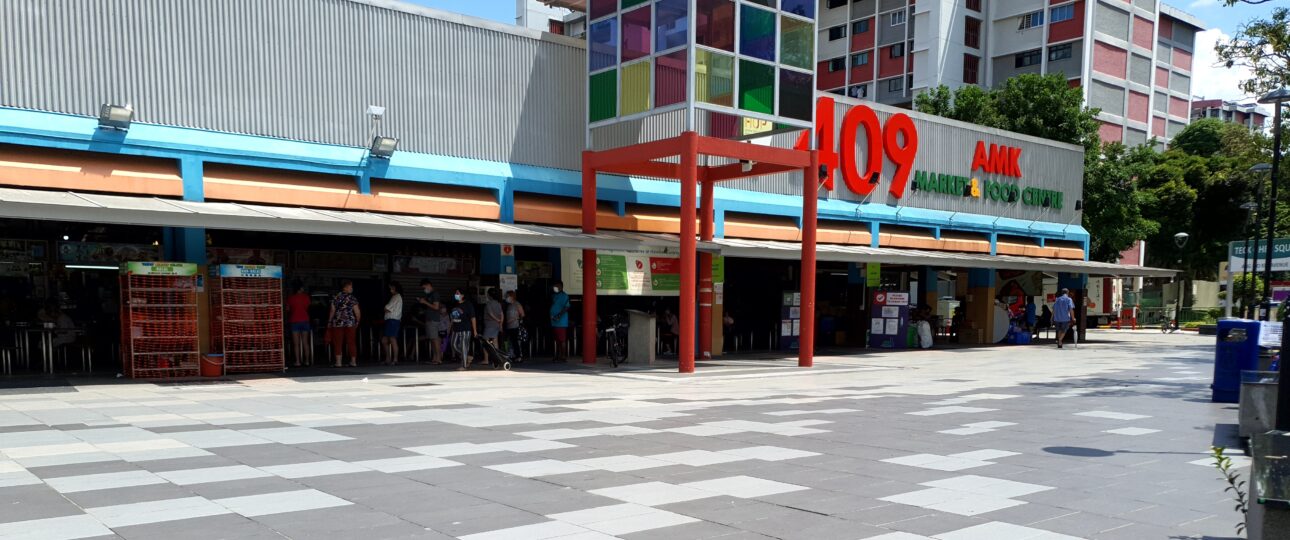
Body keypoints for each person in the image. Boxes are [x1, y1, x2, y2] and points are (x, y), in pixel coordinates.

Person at [326, 280, 361, 367]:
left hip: (338, 323)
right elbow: (357, 311)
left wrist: (329, 321)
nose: (352, 288)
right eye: (350, 286)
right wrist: (357, 321)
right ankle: (353, 362)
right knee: (351, 342)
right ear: (345, 287)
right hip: (350, 323)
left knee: (338, 342)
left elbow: (332, 311)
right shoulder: (352, 298)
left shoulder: (335, 297)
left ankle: (338, 362)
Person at [286, 281, 312, 367]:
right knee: (305, 342)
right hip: (305, 320)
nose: (303, 289)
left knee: (296, 343)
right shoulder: (306, 297)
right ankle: (307, 361)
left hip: (294, 321)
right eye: (302, 288)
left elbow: (287, 309)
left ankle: (297, 362)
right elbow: (308, 307)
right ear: (300, 288)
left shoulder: (290, 298)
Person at [449, 288, 476, 370]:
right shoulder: (455, 304)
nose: (456, 295)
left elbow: (473, 318)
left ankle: (464, 365)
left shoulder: (468, 304)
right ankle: (467, 357)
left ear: (463, 295)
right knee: (453, 345)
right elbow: (452, 317)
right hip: (455, 328)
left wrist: (475, 330)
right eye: (456, 293)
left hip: (465, 328)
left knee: (464, 346)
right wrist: (450, 327)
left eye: (458, 293)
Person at [416, 279, 442, 365]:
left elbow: (436, 307)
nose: (424, 289)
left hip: (433, 320)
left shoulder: (435, 294)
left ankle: (438, 359)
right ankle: (434, 358)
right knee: (432, 339)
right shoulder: (430, 295)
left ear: (428, 285)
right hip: (429, 319)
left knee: (435, 339)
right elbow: (431, 308)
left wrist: (425, 302)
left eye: (424, 287)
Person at [381, 283, 403, 365]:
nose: (391, 290)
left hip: (393, 320)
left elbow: (387, 308)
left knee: (392, 339)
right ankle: (388, 359)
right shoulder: (395, 297)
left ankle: (395, 359)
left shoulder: (396, 297)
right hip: (390, 320)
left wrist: (386, 309)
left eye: (392, 288)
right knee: (385, 340)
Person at [482, 287, 504, 366]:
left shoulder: (489, 303)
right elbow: (502, 314)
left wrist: (497, 320)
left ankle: (486, 359)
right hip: (496, 326)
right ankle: (497, 359)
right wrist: (500, 323)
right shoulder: (498, 303)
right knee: (495, 342)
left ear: (489, 295)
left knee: (485, 341)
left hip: (490, 325)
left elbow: (490, 313)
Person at [550, 281, 570, 362]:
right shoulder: (554, 295)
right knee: (557, 340)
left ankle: (563, 356)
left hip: (561, 322)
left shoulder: (564, 296)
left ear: (561, 287)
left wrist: (558, 316)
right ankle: (558, 355)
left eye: (556, 286)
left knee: (562, 340)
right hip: (554, 321)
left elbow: (566, 307)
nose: (555, 288)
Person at [504, 290, 526, 362]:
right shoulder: (509, 305)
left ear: (512, 296)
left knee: (515, 342)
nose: (506, 298)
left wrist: (515, 318)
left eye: (507, 296)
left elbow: (522, 314)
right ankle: (512, 355)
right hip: (509, 326)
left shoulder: (517, 304)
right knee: (511, 342)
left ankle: (518, 356)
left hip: (515, 326)